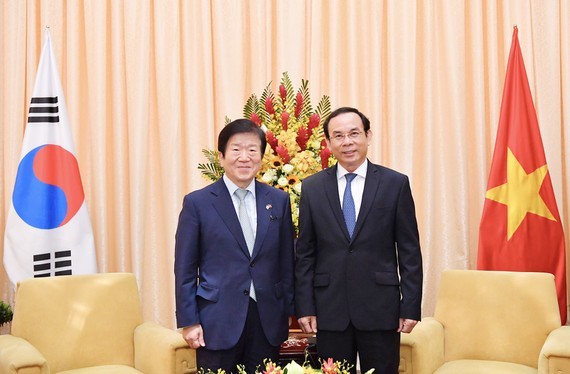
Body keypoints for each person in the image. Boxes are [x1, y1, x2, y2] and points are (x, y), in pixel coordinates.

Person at [295, 107, 423, 374]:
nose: (347, 142)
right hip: (329, 309)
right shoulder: (312, 188)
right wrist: (305, 306)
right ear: (328, 143)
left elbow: (409, 251)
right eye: (338, 136)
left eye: (354, 133)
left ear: (368, 136)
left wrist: (410, 306)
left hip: (381, 307)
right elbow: (305, 253)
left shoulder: (394, 184)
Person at [174, 119, 295, 373]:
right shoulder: (198, 203)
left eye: (252, 150)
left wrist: (291, 312)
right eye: (236, 149)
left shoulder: (278, 200)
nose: (244, 157)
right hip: (216, 320)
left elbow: (287, 262)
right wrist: (189, 321)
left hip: (267, 319)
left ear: (261, 157)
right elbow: (185, 269)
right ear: (221, 156)